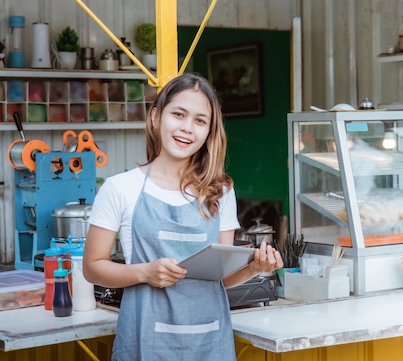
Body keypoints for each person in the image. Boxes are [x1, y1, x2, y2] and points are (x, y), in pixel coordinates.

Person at [83, 73, 283, 361]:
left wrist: (255, 268)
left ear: (209, 131)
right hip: (145, 343)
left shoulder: (221, 192)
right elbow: (92, 268)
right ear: (156, 118)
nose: (187, 128)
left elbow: (220, 279)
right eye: (179, 114)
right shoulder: (120, 188)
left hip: (210, 343)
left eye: (200, 120)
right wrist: (145, 272)